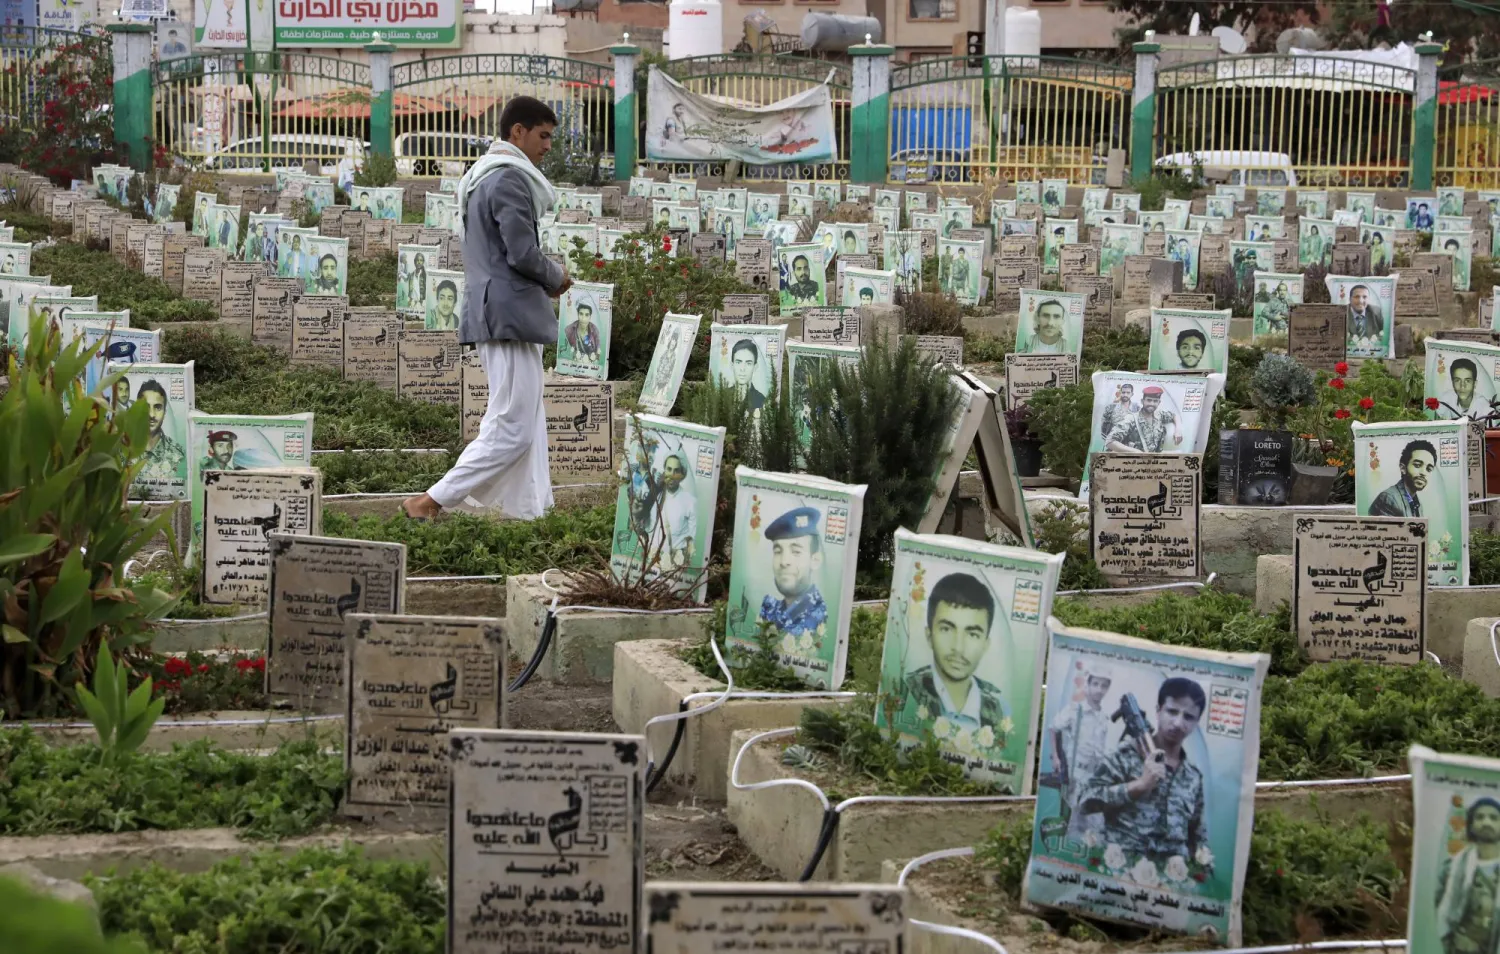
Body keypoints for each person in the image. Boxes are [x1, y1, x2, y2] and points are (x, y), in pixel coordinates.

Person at [402, 96, 570, 523]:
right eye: (543, 135)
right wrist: (556, 276)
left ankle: (530, 514)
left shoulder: (483, 177)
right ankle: (431, 500)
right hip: (507, 315)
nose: (548, 146)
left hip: (504, 311)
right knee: (513, 426)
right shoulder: (509, 179)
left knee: (526, 423)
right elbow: (521, 253)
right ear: (518, 132)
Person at [1079, 677, 1209, 868]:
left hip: (1169, 883)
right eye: (1172, 711)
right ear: (1158, 711)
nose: (1178, 722)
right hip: (1121, 872)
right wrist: (1139, 786)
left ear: (1197, 722)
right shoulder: (1124, 756)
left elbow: (1197, 836)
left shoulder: (1193, 777)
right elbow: (1085, 802)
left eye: (1188, 717)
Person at [897, 572, 1010, 741]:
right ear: (929, 636)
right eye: (946, 629)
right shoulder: (906, 693)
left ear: (985, 645)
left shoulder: (999, 709)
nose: (958, 647)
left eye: (972, 634)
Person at [1049, 662, 1113, 842]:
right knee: (1073, 823)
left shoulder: (1104, 717)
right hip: (1075, 774)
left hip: (1094, 776)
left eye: (1104, 686)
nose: (1099, 690)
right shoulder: (1075, 710)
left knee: (1094, 824)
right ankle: (1066, 859)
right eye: (1096, 684)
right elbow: (1054, 728)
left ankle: (1083, 861)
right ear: (1089, 684)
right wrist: (1056, 757)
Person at [1435, 797, 1500, 954]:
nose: (1486, 823)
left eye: (1494, 818)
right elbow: (1438, 912)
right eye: (1480, 817)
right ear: (1470, 825)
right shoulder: (1451, 869)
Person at [757, 506, 828, 643]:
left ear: (815, 561)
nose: (784, 562)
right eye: (778, 551)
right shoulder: (770, 609)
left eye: (796, 552)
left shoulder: (821, 618)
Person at [645, 452, 696, 575]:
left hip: (675, 569)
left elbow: (691, 538)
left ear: (682, 475)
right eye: (669, 469)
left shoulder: (690, 501)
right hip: (652, 564)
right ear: (664, 470)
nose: (672, 475)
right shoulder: (655, 495)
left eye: (676, 471)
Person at [134, 380, 187, 484]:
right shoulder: (122, 451)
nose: (151, 415)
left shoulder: (179, 455)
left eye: (157, 408)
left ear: (164, 412)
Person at [1369, 439, 1437, 517]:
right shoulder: (1389, 499)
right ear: (1403, 468)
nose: (1423, 473)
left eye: (1428, 469)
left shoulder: (1417, 504)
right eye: (1417, 465)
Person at [1106, 384, 1182, 453]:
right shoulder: (1131, 419)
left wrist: (1178, 430)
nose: (1152, 404)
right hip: (1133, 462)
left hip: (1154, 460)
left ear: (1159, 402)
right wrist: (1135, 452)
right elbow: (1110, 441)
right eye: (1149, 400)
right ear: (1142, 401)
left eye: (1155, 401)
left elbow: (1174, 416)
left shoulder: (1159, 415)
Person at [727, 338, 766, 410]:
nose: (742, 369)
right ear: (732, 365)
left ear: (755, 367)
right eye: (738, 362)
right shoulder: (723, 396)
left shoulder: (762, 401)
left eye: (748, 363)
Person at [563, 298, 602, 364]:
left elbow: (598, 353)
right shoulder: (569, 330)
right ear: (577, 314)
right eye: (581, 314)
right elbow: (565, 351)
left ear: (590, 316)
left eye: (587, 315)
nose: (583, 319)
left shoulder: (595, 330)